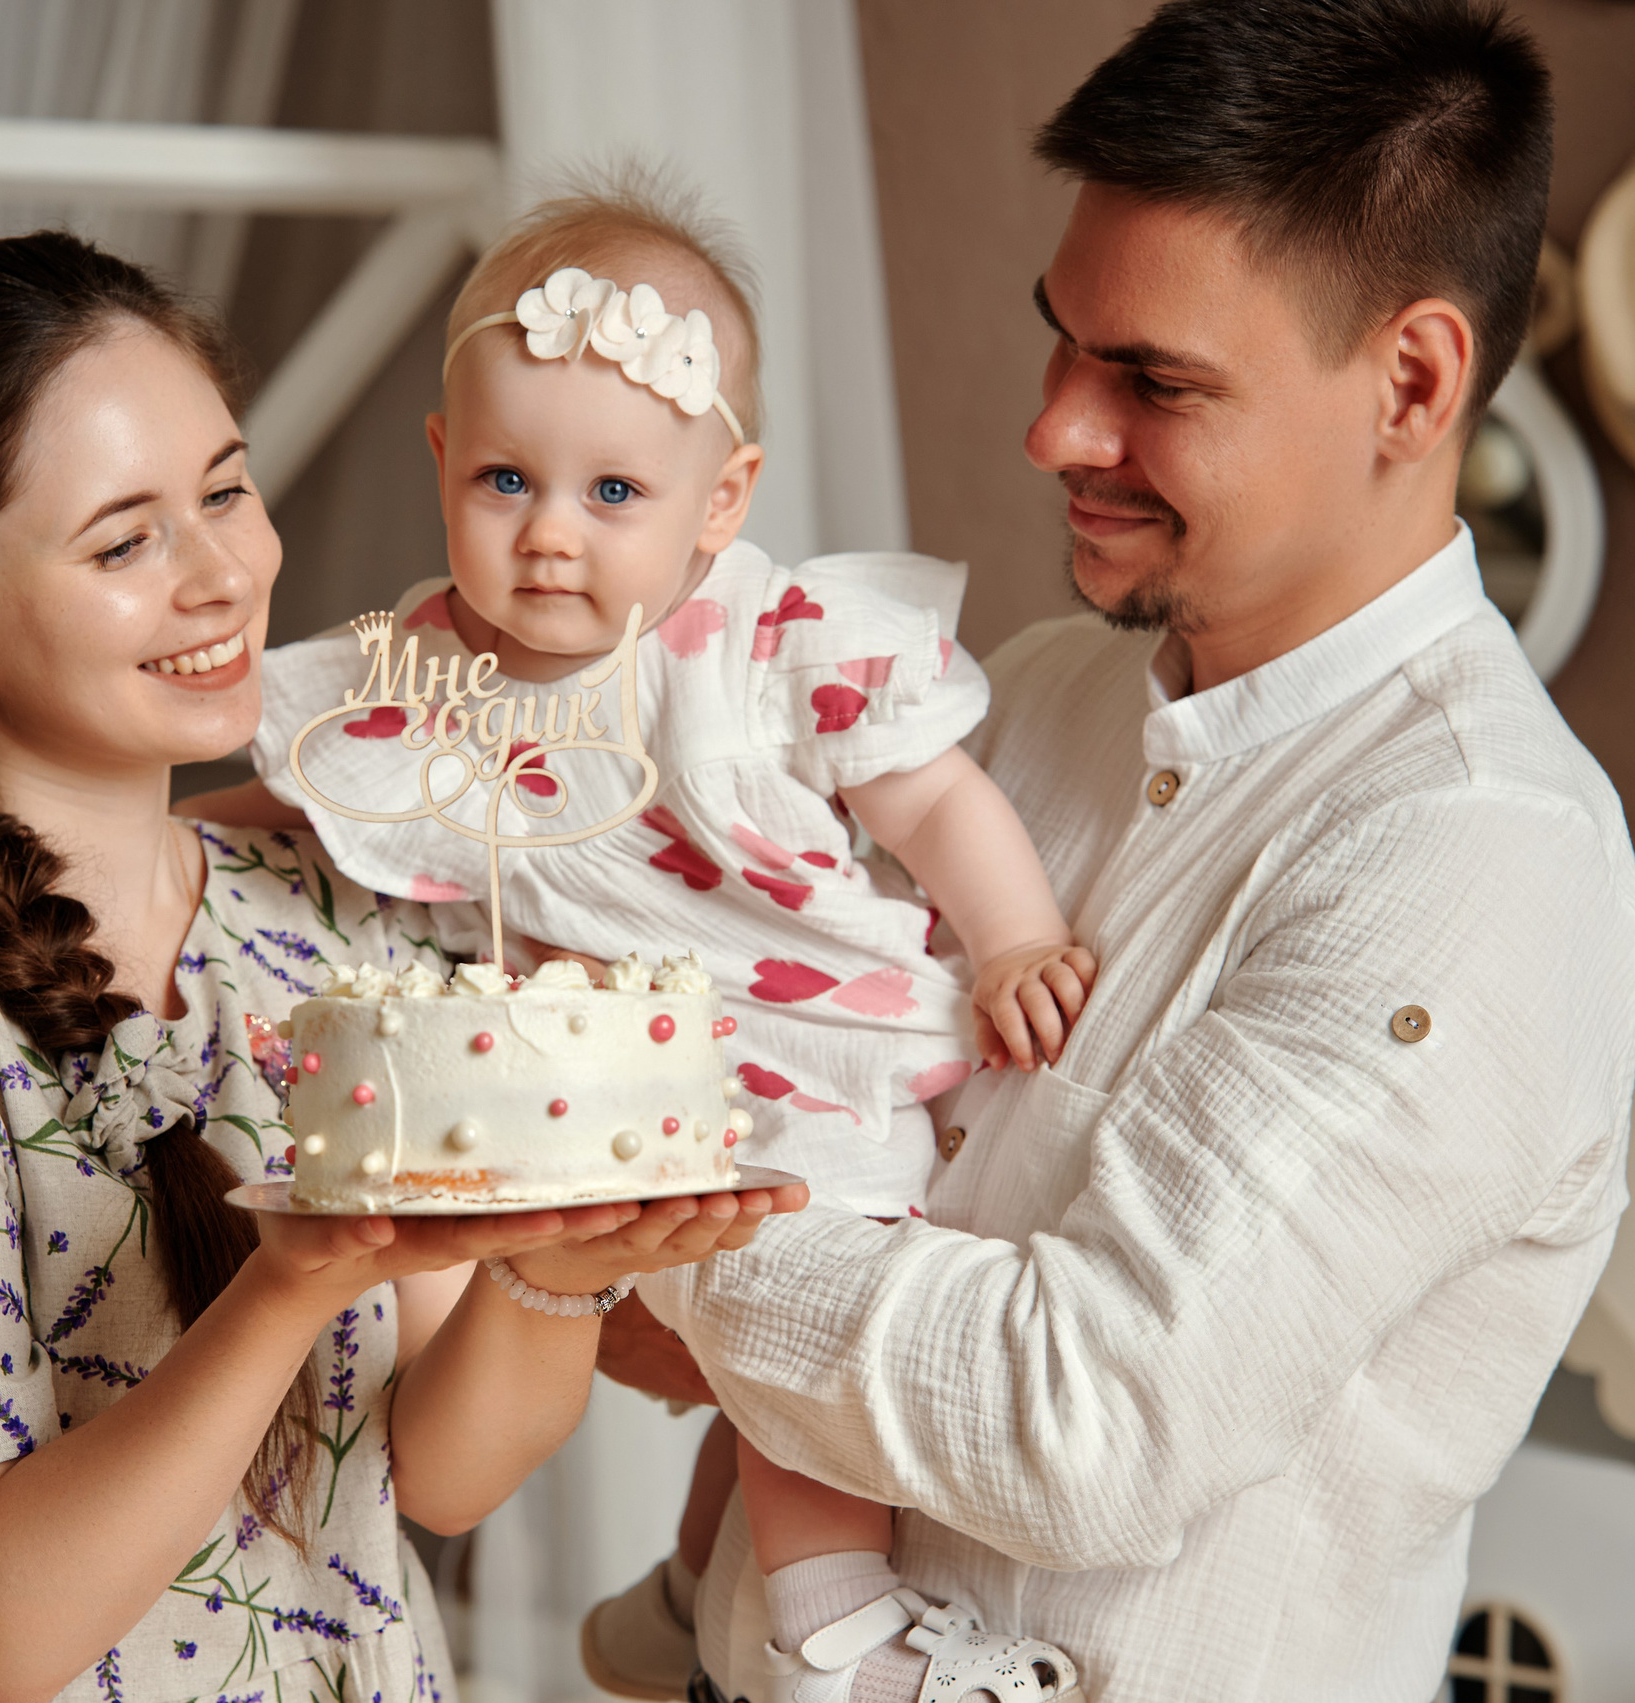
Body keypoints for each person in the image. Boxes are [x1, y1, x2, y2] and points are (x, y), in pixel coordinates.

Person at [614, 3, 1635, 1701]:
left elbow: (1076, 1423)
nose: (1055, 432)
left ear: (1412, 381)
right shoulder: (1009, 708)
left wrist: (667, 1227)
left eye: (1153, 382)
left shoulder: (1484, 866)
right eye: (1063, 342)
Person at [0, 231, 805, 1703]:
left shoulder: (321, 914)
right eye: (125, 542)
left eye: (227, 492)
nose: (223, 577)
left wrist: (556, 1283)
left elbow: (438, 1480)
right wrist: (286, 1288)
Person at [189, 187, 1097, 1701]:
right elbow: (294, 788)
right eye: (503, 480)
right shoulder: (419, 670)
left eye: (615, 493)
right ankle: (772, 1607)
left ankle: (753, 1609)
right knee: (763, 1304)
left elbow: (933, 796)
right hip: (610, 1080)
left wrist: (1014, 942)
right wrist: (162, 836)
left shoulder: (753, 644)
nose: (550, 535)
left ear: (720, 501)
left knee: (805, 1297)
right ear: (442, 465)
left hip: (803, 1034)